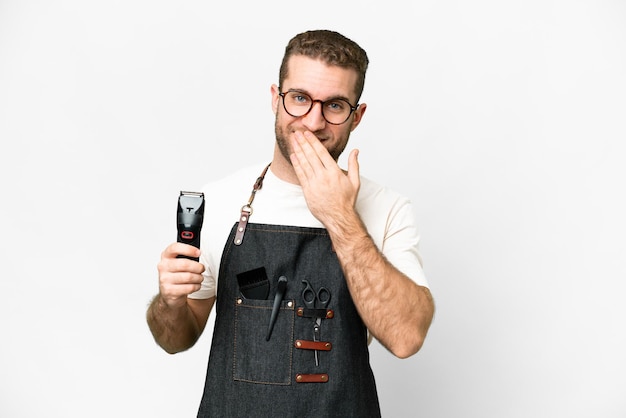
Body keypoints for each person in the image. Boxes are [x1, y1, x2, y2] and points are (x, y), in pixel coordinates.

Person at [146, 29, 435, 417]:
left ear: (357, 115)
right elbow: (175, 339)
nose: (313, 122)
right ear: (275, 99)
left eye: (334, 105)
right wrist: (170, 301)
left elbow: (406, 337)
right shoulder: (221, 200)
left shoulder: (386, 209)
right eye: (299, 99)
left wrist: (341, 217)